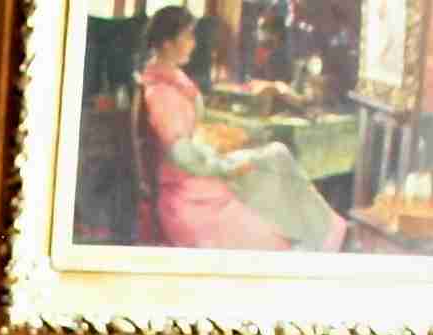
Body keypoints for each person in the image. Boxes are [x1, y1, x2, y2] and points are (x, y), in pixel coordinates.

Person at [136, 7, 340, 251]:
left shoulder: (173, 78)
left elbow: (189, 136)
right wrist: (225, 166)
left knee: (276, 156)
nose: (194, 43)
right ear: (168, 44)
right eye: (188, 36)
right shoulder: (161, 92)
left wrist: (218, 148)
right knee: (274, 218)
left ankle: (323, 233)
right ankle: (321, 237)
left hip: (199, 179)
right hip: (189, 199)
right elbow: (182, 154)